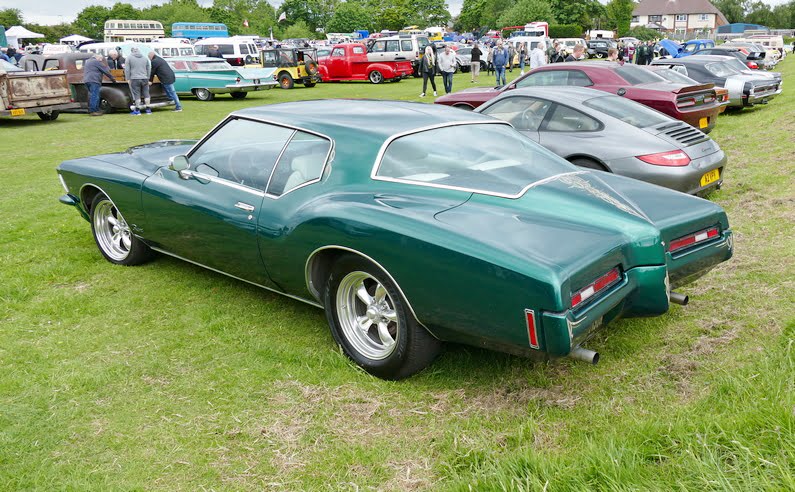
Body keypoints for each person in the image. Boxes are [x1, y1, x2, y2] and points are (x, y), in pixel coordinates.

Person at [124, 47, 152, 115]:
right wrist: (148, 77)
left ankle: (137, 110)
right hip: (144, 78)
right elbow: (148, 68)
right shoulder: (145, 58)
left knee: (137, 95)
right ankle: (148, 109)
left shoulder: (129, 58)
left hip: (134, 78)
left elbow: (127, 69)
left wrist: (128, 78)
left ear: (131, 51)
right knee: (146, 94)